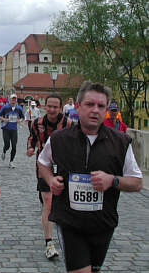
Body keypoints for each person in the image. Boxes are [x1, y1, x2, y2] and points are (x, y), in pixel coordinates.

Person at [38, 81, 143, 273]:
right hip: (70, 221)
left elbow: (137, 182)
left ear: (106, 110)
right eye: (89, 104)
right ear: (77, 107)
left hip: (103, 223)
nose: (95, 110)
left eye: (101, 106)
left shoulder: (120, 142)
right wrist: (51, 180)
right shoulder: (59, 139)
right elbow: (42, 162)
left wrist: (113, 180)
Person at [26, 93, 71, 260]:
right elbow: (32, 138)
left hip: (63, 166)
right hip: (43, 166)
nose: (51, 110)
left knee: (59, 202)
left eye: (55, 107)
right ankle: (49, 243)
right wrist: (30, 148)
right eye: (49, 106)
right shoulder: (37, 123)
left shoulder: (68, 124)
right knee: (48, 201)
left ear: (61, 108)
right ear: (44, 106)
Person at [0, 94, 24, 168]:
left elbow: (22, 117)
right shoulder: (5, 107)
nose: (13, 100)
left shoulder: (19, 108)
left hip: (14, 129)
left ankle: (11, 162)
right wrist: (4, 119)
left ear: (16, 100)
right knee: (7, 145)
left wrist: (20, 120)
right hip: (6, 128)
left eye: (15, 99)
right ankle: (4, 151)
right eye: (12, 99)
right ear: (9, 100)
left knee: (14, 146)